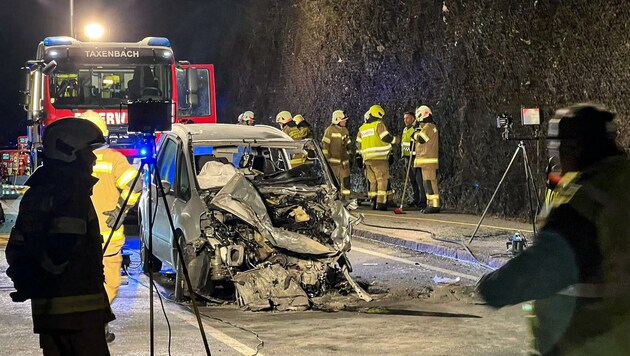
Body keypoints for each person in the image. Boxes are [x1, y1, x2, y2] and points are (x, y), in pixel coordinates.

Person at [477, 103, 630, 355]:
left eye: (558, 148)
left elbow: (545, 267)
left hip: (588, 342)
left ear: (574, 148)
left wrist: (494, 287)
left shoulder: (586, 202)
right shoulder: (620, 183)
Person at [5, 117, 114, 355]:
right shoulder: (71, 193)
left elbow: (16, 248)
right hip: (79, 316)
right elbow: (61, 249)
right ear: (70, 151)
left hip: (48, 313)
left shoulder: (36, 193)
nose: (94, 158)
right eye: (89, 151)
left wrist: (30, 281)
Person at [80, 110, 142, 342]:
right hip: (108, 236)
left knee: (81, 281)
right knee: (111, 283)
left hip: (78, 235)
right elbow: (135, 185)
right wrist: (121, 210)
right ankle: (96, 322)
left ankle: (89, 322)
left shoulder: (70, 161)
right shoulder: (114, 159)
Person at [355, 104, 399, 211]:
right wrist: (396, 140)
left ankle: (373, 201)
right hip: (380, 159)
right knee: (382, 180)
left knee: (373, 181)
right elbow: (386, 137)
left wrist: (358, 157)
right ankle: (381, 203)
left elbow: (358, 145)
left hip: (367, 160)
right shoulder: (379, 125)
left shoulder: (362, 128)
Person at [411, 105, 440, 213]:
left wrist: (415, 134)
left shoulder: (429, 126)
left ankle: (433, 205)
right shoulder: (426, 127)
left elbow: (421, 139)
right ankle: (431, 204)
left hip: (428, 160)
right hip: (425, 160)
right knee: (427, 183)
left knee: (429, 183)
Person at [322, 110, 352, 198]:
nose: (345, 121)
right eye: (343, 120)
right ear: (337, 120)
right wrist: (327, 160)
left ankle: (345, 200)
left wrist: (351, 156)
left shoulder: (345, 130)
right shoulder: (329, 130)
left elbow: (348, 145)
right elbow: (325, 147)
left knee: (346, 183)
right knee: (333, 183)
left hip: (344, 163)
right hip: (333, 164)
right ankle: (333, 200)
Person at [401, 111, 426, 210]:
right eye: (404, 118)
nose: (405, 120)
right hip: (407, 158)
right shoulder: (405, 129)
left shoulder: (415, 129)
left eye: (407, 118)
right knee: (412, 180)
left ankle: (422, 201)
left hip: (414, 157)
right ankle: (416, 199)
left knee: (419, 180)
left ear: (412, 119)